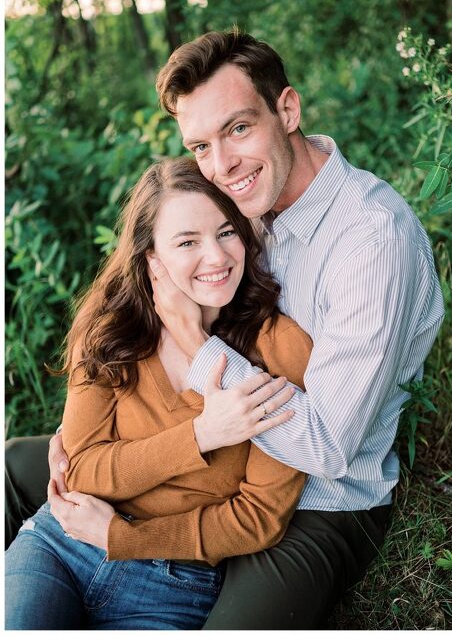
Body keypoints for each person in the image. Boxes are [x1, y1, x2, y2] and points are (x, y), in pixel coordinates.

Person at [5, 30, 444, 628]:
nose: (222, 165)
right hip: (221, 464)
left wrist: (194, 342)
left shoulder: (371, 240)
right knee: (20, 466)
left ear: (287, 110)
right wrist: (82, 431)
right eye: (201, 145)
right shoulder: (244, 204)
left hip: (320, 499)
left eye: (238, 129)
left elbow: (330, 448)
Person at [5, 157, 313, 630]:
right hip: (63, 545)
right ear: (152, 258)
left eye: (226, 232)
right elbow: (81, 469)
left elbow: (259, 518)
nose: (216, 257)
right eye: (187, 241)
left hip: (175, 584)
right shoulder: (112, 327)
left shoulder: (279, 348)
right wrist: (201, 435)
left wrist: (122, 537)